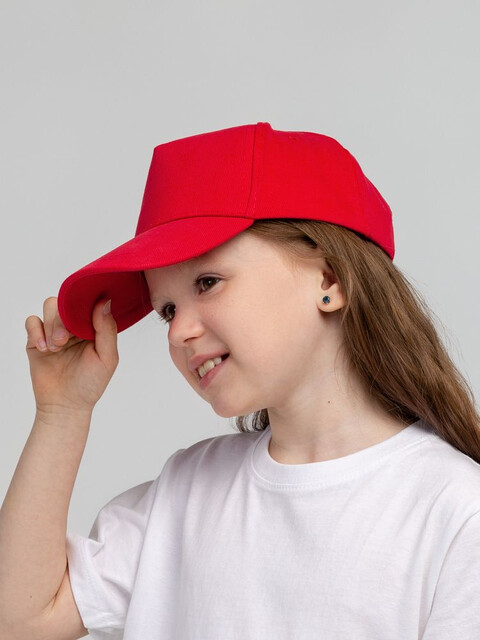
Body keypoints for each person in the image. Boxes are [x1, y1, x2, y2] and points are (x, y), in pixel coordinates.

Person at [1, 122, 479, 640]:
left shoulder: (454, 510)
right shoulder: (186, 493)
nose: (178, 332)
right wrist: (62, 413)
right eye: (167, 310)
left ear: (330, 280)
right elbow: (22, 619)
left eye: (208, 282)